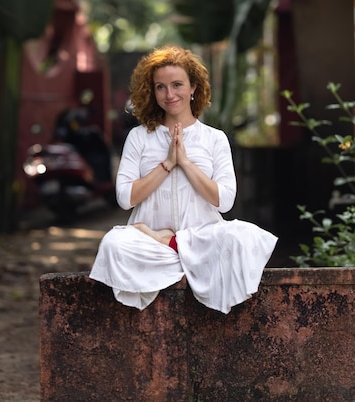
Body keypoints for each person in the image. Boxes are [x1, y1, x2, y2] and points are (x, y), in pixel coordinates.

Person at [89, 45, 277, 314]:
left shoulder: (214, 139)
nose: (169, 94)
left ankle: (171, 243)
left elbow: (224, 201)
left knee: (242, 238)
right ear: (152, 92)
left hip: (203, 240)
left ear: (193, 88)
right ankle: (174, 251)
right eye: (160, 87)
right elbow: (125, 198)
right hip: (148, 248)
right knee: (113, 245)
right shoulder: (139, 138)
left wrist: (186, 163)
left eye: (177, 84)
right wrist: (167, 164)